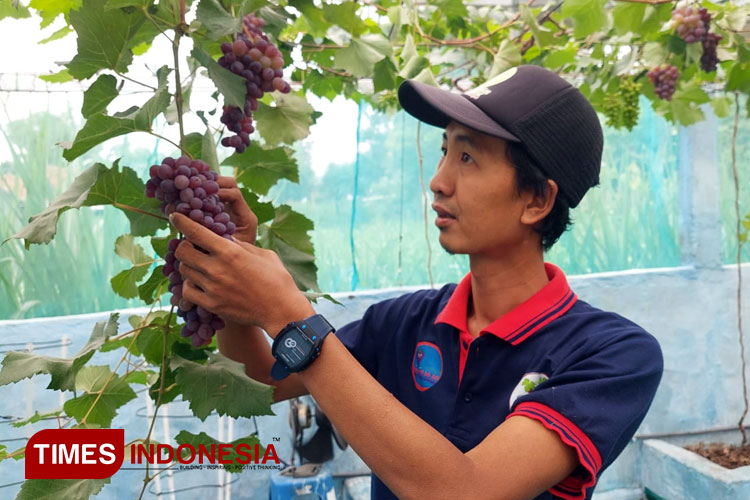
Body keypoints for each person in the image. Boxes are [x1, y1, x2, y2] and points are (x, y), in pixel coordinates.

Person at [170, 65, 663, 500]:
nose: (439, 180)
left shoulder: (615, 356)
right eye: (444, 151)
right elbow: (263, 380)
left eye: (467, 158)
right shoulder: (404, 322)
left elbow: (463, 492)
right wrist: (238, 295)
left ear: (536, 201)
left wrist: (287, 314)